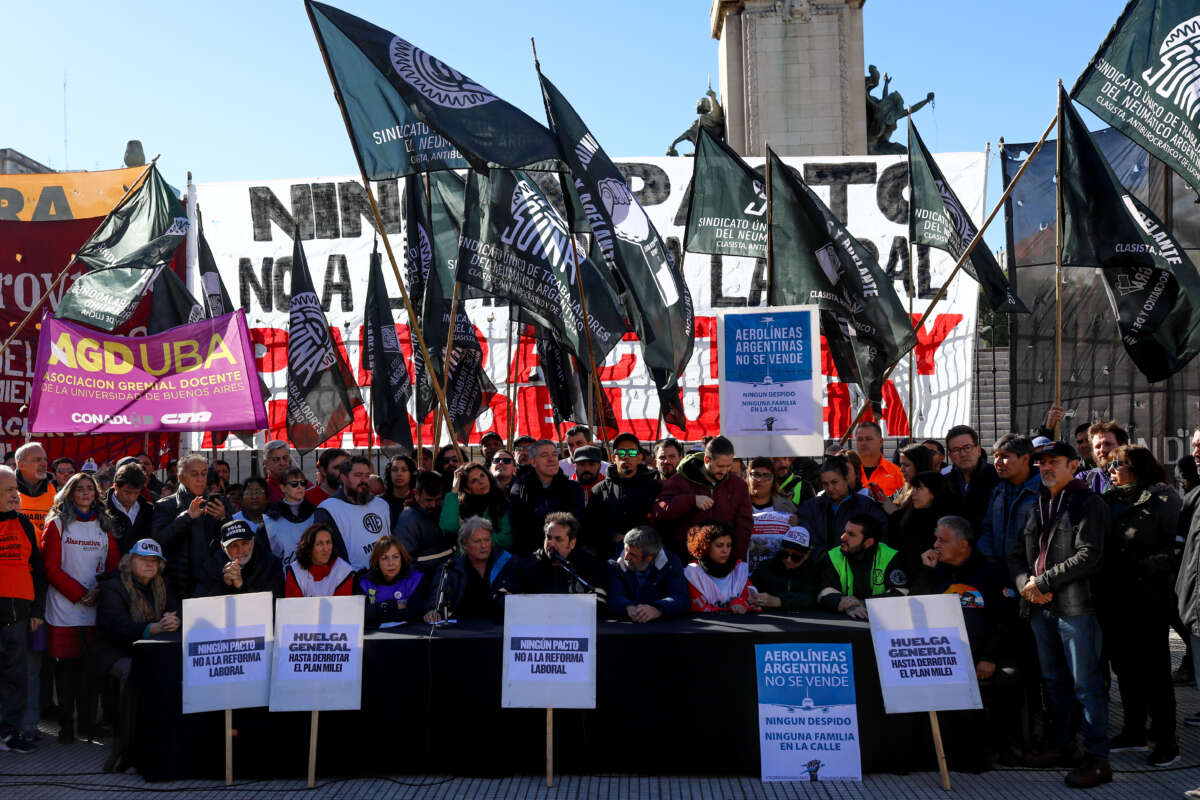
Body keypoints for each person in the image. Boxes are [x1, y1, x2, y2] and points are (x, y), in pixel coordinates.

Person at [1008, 440, 1111, 788]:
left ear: (1073, 465)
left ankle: (1098, 759)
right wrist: (1027, 584)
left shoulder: (1088, 502)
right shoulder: (1037, 503)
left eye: (1054, 462)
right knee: (1054, 683)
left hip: (1076, 608)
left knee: (1086, 685)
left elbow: (1090, 554)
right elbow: (1016, 555)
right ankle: (1064, 746)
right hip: (1041, 610)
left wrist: (1044, 581)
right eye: (1042, 463)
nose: (1046, 468)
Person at [913, 516, 1023, 766]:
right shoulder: (936, 570)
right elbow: (916, 608)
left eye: (943, 540)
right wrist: (926, 572)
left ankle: (1006, 747)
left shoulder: (991, 571)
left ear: (963, 545)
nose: (936, 545)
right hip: (945, 654)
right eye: (936, 539)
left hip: (985, 653)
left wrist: (989, 657)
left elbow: (1006, 620)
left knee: (1009, 678)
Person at [1095, 445, 1179, 765]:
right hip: (1114, 599)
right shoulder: (1109, 500)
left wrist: (1148, 566)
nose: (1113, 470)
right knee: (1125, 669)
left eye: (1120, 465)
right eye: (1111, 465)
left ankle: (1166, 740)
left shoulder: (1162, 499)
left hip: (1149, 599)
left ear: (1139, 467)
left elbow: (1176, 547)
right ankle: (1134, 730)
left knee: (1155, 672)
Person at [41, 472, 119, 744]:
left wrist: (98, 591)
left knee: (91, 670)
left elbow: (113, 566)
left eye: (90, 489)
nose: (86, 493)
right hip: (64, 608)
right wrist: (78, 593)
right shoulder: (57, 524)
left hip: (94, 607)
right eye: (80, 489)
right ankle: (66, 726)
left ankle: (87, 724)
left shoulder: (105, 524)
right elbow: (50, 567)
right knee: (66, 671)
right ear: (70, 493)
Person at [93, 539, 177, 772]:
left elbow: (174, 608)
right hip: (114, 651)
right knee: (132, 670)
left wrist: (174, 619)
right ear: (130, 562)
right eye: (143, 560)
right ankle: (125, 742)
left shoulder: (162, 584)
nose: (150, 565)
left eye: (155, 561)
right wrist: (152, 629)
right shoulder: (113, 586)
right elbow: (116, 628)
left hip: (152, 650)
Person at [0, 466, 45, 754]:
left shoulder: (25, 524)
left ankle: (9, 732)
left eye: (14, 490)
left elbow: (39, 572)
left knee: (16, 676)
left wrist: (38, 611)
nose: (14, 496)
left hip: (18, 615)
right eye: (7, 491)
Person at [653, 435, 753, 561]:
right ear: (706, 460)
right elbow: (659, 511)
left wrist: (737, 558)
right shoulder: (680, 480)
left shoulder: (739, 486)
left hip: (725, 561)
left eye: (728, 466)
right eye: (720, 466)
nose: (724, 471)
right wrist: (691, 500)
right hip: (687, 560)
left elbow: (744, 526)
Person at [152, 453, 230, 600]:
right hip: (176, 587)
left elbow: (234, 542)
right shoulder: (166, 506)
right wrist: (186, 517)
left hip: (213, 583)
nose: (200, 480)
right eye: (194, 474)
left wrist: (224, 519)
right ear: (181, 478)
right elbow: (158, 542)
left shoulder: (219, 503)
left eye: (203, 474)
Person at [423, 517, 521, 624]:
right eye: (477, 541)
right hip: (462, 630)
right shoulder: (450, 568)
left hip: (500, 628)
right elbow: (436, 598)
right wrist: (433, 611)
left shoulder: (508, 562)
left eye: (487, 540)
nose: (483, 545)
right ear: (465, 545)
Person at [584, 433, 662, 559]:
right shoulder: (599, 490)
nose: (626, 457)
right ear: (613, 457)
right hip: (610, 558)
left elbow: (661, 524)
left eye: (632, 452)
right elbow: (590, 528)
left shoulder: (654, 488)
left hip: (647, 557)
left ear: (639, 457)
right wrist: (612, 536)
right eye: (621, 453)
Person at [817, 513, 908, 619]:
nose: (843, 537)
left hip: (884, 622)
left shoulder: (889, 556)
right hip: (844, 623)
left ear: (868, 542)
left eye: (851, 534)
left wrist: (863, 603)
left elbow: (901, 593)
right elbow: (823, 592)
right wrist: (841, 602)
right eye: (844, 531)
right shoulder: (833, 555)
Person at [314, 456, 393, 571]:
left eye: (367, 475)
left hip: (385, 576)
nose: (364, 480)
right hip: (352, 581)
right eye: (358, 475)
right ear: (343, 478)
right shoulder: (328, 509)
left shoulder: (382, 505)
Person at [508, 440, 586, 555]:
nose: (551, 459)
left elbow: (574, 524)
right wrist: (556, 516)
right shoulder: (520, 488)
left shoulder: (573, 489)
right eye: (544, 455)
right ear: (533, 462)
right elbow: (520, 527)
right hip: (529, 556)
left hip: (566, 555)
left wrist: (539, 514)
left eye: (554, 455)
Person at [795, 457, 887, 553]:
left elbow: (880, 539)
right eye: (825, 484)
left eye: (834, 482)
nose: (830, 488)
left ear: (846, 479)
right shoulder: (811, 507)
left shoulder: (867, 506)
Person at [978, 434, 1041, 562]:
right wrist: (989, 559)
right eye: (996, 456)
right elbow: (988, 528)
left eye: (1005, 456)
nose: (998, 462)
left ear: (1024, 459)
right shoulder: (998, 491)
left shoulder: (1042, 490)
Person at [606, 526, 689, 622]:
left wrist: (658, 609)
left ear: (649, 557)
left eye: (632, 554)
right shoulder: (615, 564)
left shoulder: (671, 563)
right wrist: (628, 607)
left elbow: (680, 598)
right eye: (625, 550)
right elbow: (613, 595)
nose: (626, 557)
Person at [891, 471, 959, 581]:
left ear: (934, 491)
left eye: (919, 488)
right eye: (913, 488)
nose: (913, 493)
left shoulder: (951, 521)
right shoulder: (903, 517)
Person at [518, 512, 605, 597]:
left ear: (572, 543)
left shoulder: (588, 565)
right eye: (548, 537)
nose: (551, 543)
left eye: (558, 539)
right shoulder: (528, 565)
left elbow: (596, 599)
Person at [749, 526, 827, 612]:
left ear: (807, 554)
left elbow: (811, 599)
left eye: (796, 556)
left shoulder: (815, 569)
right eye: (784, 554)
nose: (788, 560)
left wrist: (778, 601)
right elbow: (750, 590)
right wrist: (757, 602)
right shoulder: (765, 567)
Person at [198, 520, 283, 597]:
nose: (240, 550)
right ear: (223, 547)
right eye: (234, 545)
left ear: (252, 541)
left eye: (245, 543)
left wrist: (241, 586)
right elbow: (201, 604)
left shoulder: (270, 564)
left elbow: (273, 603)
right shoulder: (211, 567)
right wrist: (225, 584)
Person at [683, 522, 755, 613]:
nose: (725, 550)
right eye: (719, 546)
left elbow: (753, 601)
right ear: (706, 546)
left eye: (728, 545)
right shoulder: (693, 573)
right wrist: (730, 608)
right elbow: (697, 607)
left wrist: (741, 604)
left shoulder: (739, 570)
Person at [355, 536, 426, 627]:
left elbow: (415, 614)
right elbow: (361, 616)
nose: (391, 563)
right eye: (384, 558)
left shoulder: (415, 579)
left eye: (395, 557)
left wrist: (377, 611)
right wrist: (394, 605)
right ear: (377, 561)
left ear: (402, 558)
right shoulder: (365, 583)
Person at [439, 463, 512, 550]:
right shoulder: (461, 508)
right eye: (474, 481)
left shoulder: (502, 503)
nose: (481, 482)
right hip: (467, 560)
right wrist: (454, 489)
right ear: (467, 489)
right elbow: (449, 525)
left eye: (482, 476)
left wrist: (471, 533)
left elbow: (505, 540)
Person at [944, 425, 1000, 533]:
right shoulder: (944, 482)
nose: (963, 454)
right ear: (950, 455)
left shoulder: (996, 477)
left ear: (978, 450)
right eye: (956, 450)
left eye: (967, 447)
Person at [394, 471, 452, 572]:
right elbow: (407, 560)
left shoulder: (443, 509)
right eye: (428, 500)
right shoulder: (408, 519)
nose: (433, 505)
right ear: (416, 494)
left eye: (437, 499)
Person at [262, 467, 316, 570]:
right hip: (281, 577)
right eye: (294, 484)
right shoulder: (270, 517)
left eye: (303, 483)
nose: (300, 487)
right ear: (282, 488)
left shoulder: (315, 513)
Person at [284, 522, 355, 598]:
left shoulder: (343, 571)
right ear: (309, 547)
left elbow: (342, 606)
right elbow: (293, 606)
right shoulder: (295, 571)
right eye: (320, 544)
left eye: (328, 542)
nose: (326, 549)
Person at [106, 462, 153, 555]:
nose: (132, 497)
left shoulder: (149, 510)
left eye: (136, 493)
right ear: (115, 486)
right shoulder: (101, 509)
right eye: (127, 492)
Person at [878, 443, 934, 514]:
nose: (901, 469)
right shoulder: (905, 486)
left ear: (919, 465)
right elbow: (892, 502)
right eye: (901, 465)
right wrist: (880, 496)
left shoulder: (928, 490)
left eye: (906, 465)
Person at [1077, 420, 1128, 495]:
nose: (1102, 450)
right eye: (1097, 446)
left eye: (1108, 444)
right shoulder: (1083, 479)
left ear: (1123, 446)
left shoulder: (1138, 478)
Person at [855, 421, 905, 498]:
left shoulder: (897, 474)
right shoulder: (849, 472)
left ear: (881, 442)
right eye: (860, 439)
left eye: (868, 439)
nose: (863, 443)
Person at [15, 443, 53, 540]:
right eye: (37, 460)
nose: (44, 464)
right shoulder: (5, 488)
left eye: (45, 459)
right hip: (16, 552)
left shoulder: (53, 490)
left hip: (44, 552)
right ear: (21, 465)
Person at [381, 453, 416, 529]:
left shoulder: (417, 501)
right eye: (394, 470)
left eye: (404, 470)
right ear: (389, 473)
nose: (399, 474)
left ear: (411, 473)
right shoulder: (380, 502)